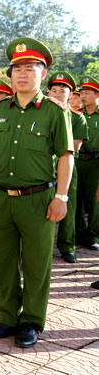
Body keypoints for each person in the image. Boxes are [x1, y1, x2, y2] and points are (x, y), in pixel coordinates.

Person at [0, 38, 73, 349]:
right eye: (17, 69)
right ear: (10, 75)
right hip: (0, 198)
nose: (22, 74)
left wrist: (61, 197)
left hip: (39, 199)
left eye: (30, 69)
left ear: (43, 73)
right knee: (5, 261)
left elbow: (65, 155)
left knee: (36, 264)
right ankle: (7, 316)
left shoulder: (54, 112)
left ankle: (32, 320)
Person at [46, 71, 87, 263]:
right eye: (54, 90)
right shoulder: (40, 114)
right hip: (42, 168)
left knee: (68, 208)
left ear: (70, 95)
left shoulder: (76, 118)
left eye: (62, 91)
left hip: (67, 167)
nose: (57, 94)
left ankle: (67, 246)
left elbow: (75, 146)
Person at [76, 75, 99, 250]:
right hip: (77, 161)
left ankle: (93, 235)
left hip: (95, 163)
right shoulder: (77, 115)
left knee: (94, 200)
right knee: (77, 199)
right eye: (82, 93)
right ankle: (79, 233)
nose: (83, 96)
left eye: (88, 93)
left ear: (97, 95)